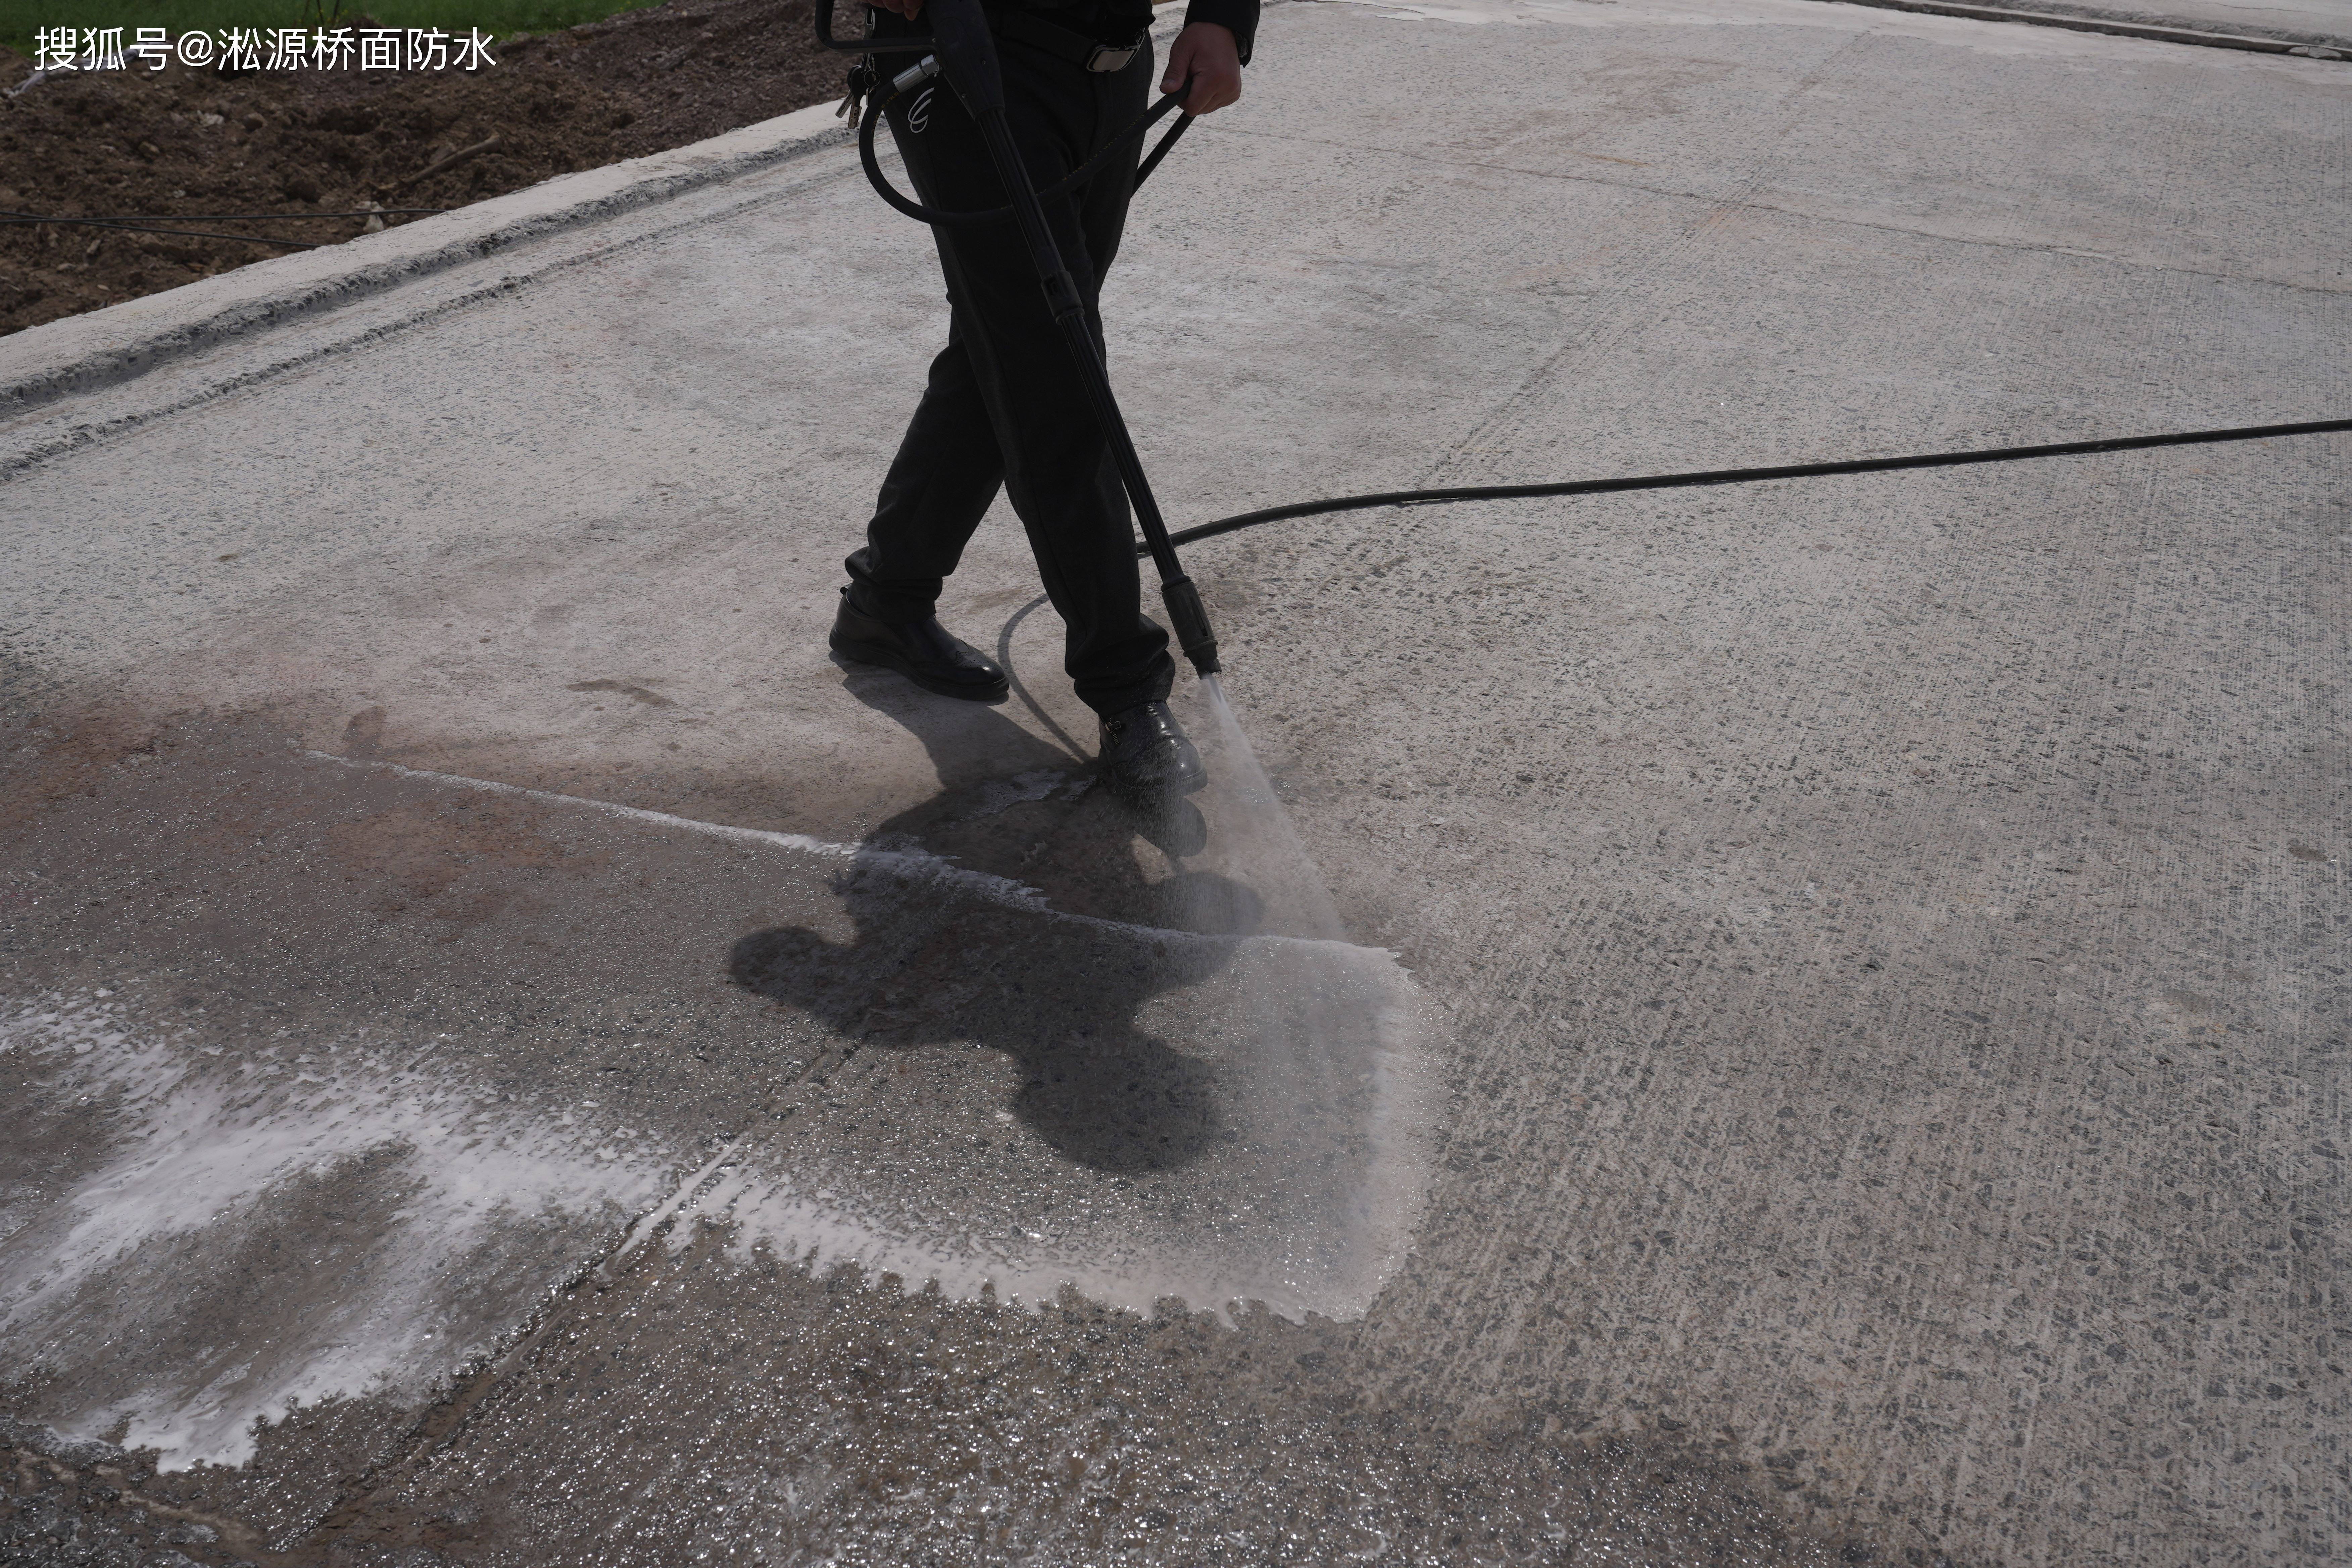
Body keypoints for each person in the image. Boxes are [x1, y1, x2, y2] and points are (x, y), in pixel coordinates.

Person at [827, 0, 1255, 802]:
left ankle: (888, 600)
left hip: (1110, 62)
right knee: (1054, 369)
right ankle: (1126, 688)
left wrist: (1224, 15)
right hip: (968, 57)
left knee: (1008, 341)